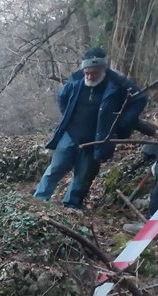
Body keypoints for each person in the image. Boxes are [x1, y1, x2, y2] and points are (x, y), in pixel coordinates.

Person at [34, 47, 148, 209]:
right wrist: (68, 115)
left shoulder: (117, 82)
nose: (89, 76)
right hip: (71, 134)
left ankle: (71, 207)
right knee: (55, 168)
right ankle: (38, 201)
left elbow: (140, 99)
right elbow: (62, 97)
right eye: (86, 72)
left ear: (103, 69)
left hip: (97, 140)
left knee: (83, 176)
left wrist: (123, 123)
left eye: (93, 73)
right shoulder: (76, 79)